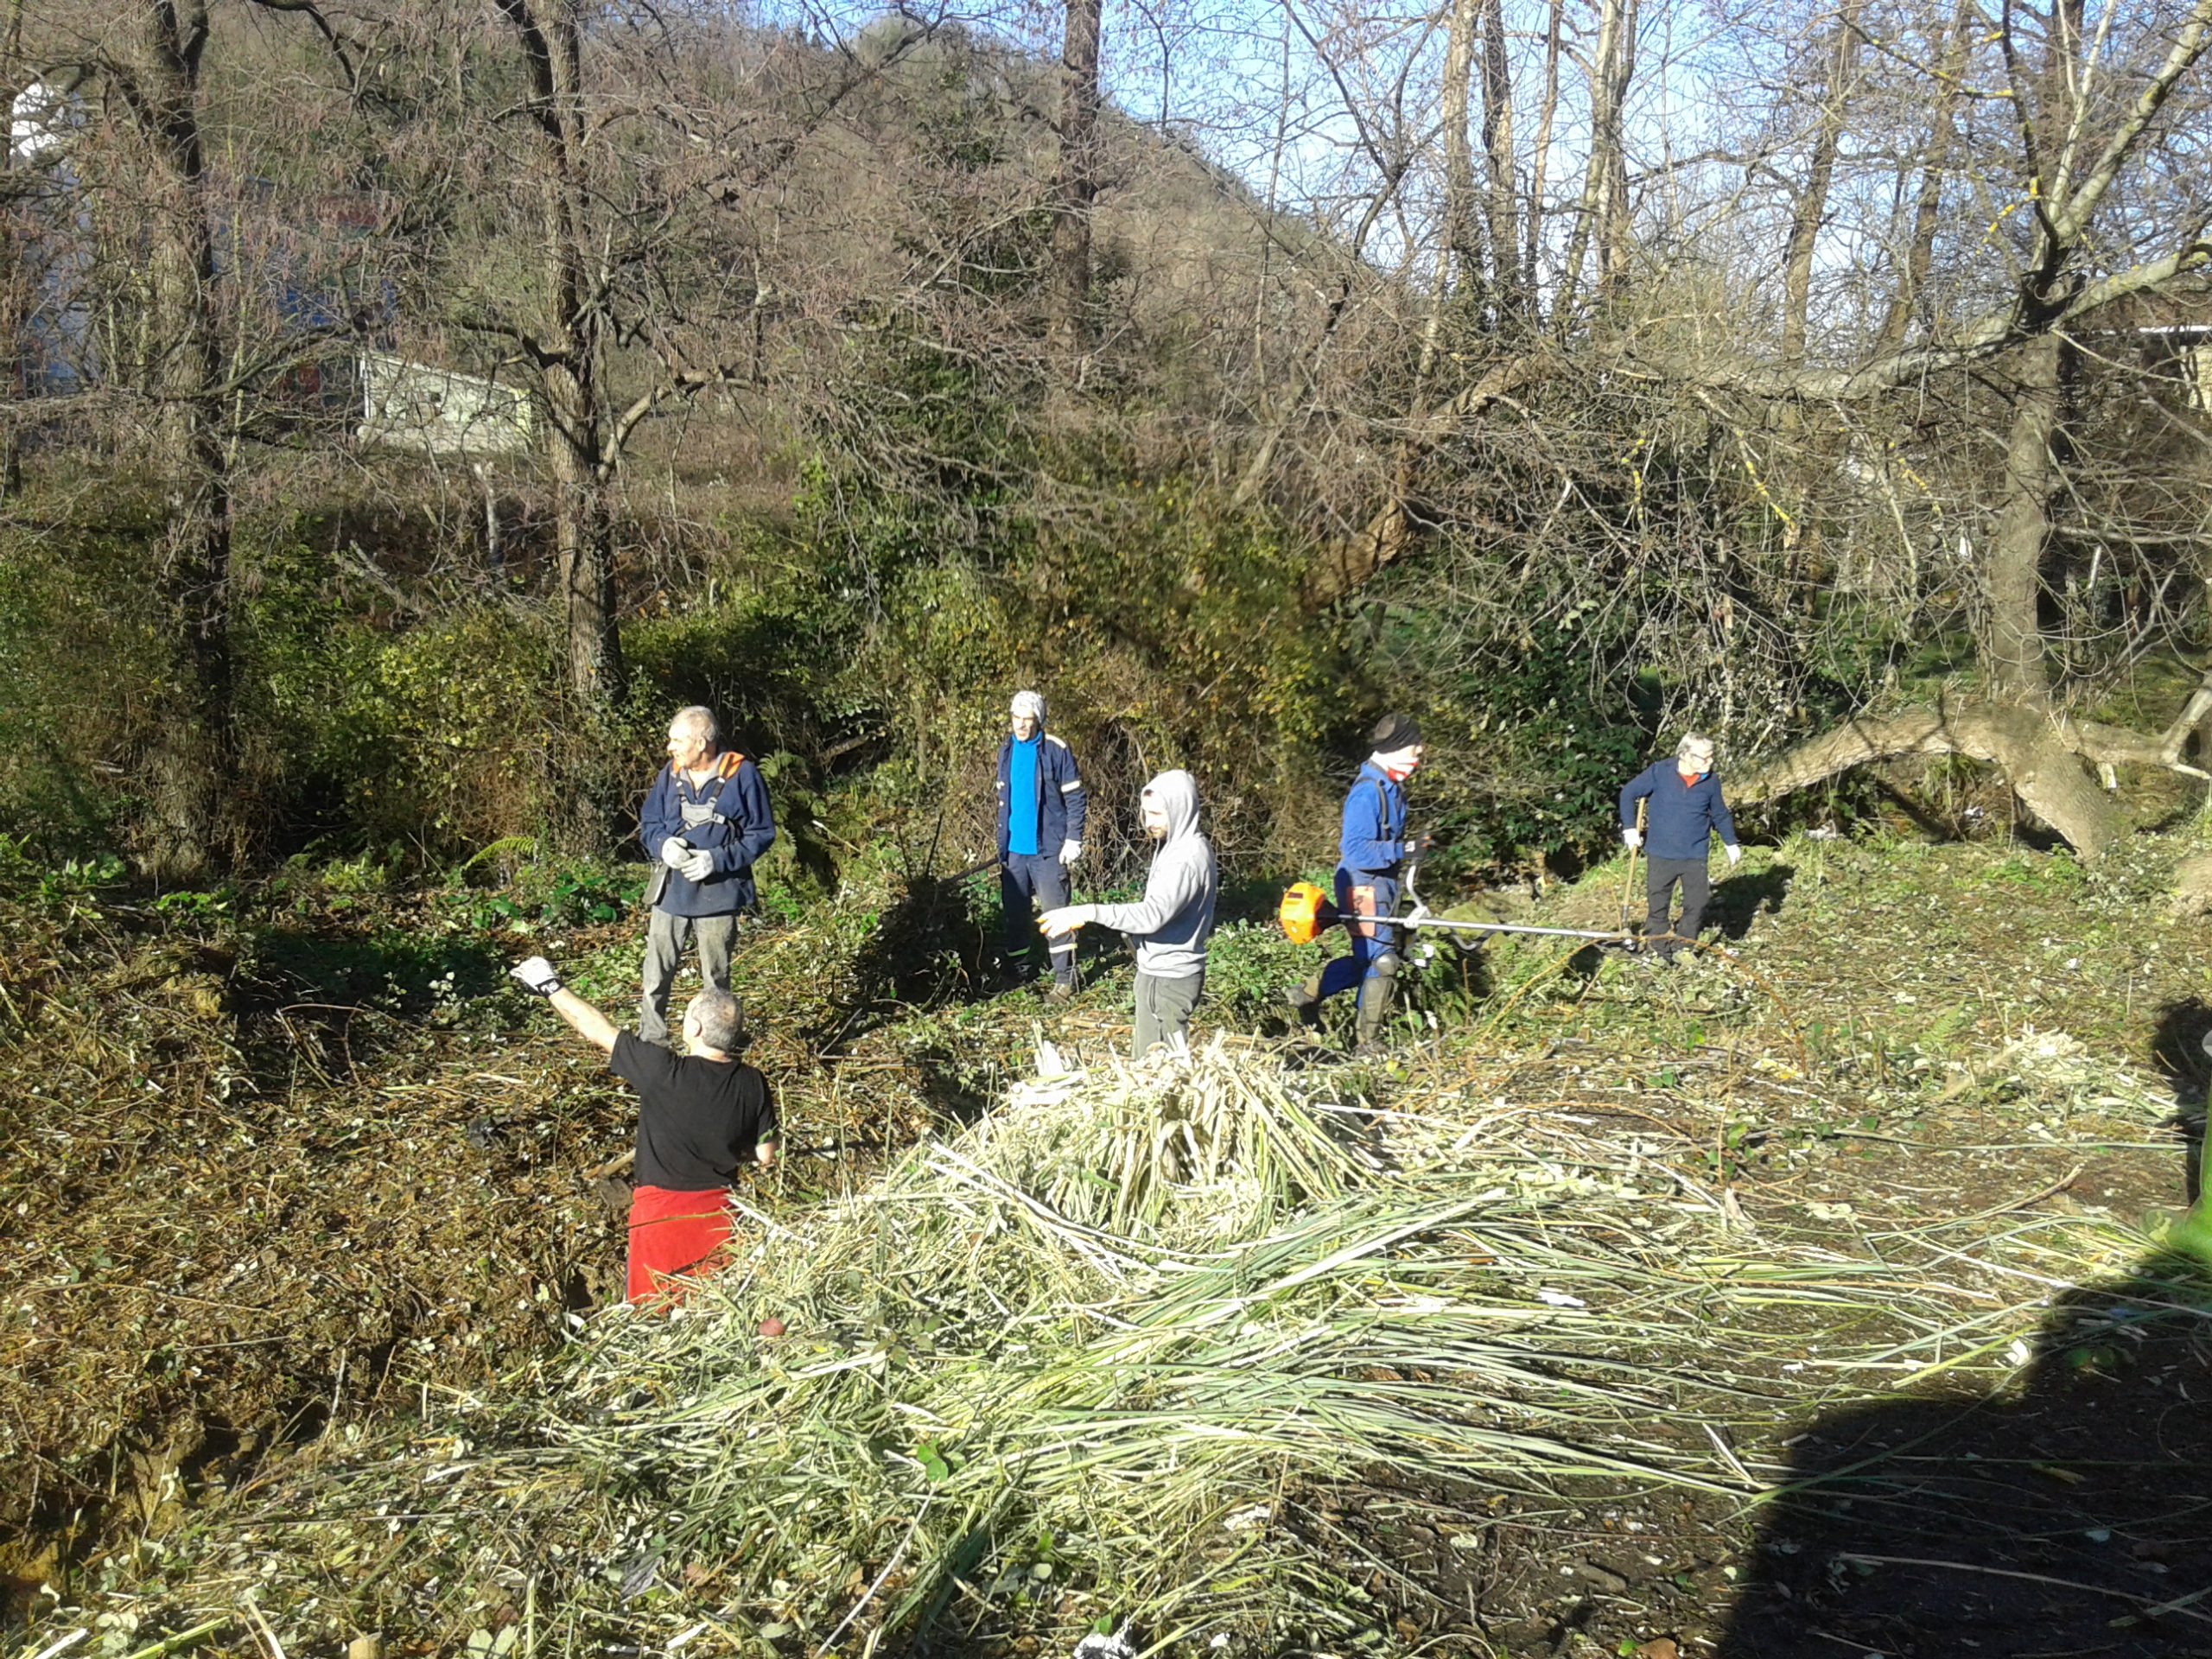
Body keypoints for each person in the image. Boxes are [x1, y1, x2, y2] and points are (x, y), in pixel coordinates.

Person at [508, 957, 777, 1305]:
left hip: (662, 1219)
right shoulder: (754, 1082)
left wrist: (549, 986)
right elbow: (766, 1155)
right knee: (713, 1309)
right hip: (720, 1215)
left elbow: (595, 1029)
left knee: (656, 1312)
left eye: (686, 1015)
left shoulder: (664, 1071)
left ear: (695, 1029)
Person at [1039, 770, 1217, 1058]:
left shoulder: (1185, 859)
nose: (1149, 822)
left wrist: (1089, 912)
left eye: (1157, 814)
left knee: (1159, 1068)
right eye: (1145, 813)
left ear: (1180, 809)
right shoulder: (1174, 845)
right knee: (1145, 1063)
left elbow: (1152, 915)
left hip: (1170, 980)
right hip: (1156, 973)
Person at [638, 705, 776, 1045]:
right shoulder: (670, 775)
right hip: (671, 894)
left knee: (716, 982)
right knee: (655, 975)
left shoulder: (743, 775)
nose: (670, 747)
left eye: (677, 740)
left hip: (719, 897)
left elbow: (761, 833)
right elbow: (650, 823)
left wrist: (717, 860)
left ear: (701, 743)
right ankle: (651, 1043)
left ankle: (715, 1047)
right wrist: (662, 845)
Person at [1287, 713, 1426, 1049]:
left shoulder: (1391, 787)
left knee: (1369, 959)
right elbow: (1356, 850)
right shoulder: (1368, 792)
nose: (1420, 751)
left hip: (1379, 886)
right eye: (1414, 745)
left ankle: (1306, 994)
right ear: (1397, 747)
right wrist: (1403, 849)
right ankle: (1367, 1044)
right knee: (1382, 961)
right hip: (1363, 887)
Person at [995, 690, 1087, 998]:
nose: (1021, 725)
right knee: (1015, 915)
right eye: (1016, 718)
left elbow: (1075, 797)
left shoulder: (1055, 750)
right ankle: (1019, 973)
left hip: (1048, 850)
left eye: (1028, 719)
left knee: (1055, 915)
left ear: (1039, 720)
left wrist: (1073, 838)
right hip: (1014, 852)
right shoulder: (1006, 751)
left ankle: (1065, 979)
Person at [1619, 731, 1742, 963]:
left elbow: (1719, 813)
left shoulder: (1711, 781)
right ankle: (1658, 949)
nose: (1710, 762)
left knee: (1697, 902)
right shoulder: (1659, 772)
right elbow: (1628, 793)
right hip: (1661, 853)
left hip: (1694, 853)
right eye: (1704, 757)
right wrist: (1629, 828)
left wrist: (1730, 842)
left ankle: (1684, 947)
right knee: (1658, 903)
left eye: (1711, 756)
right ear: (1685, 755)